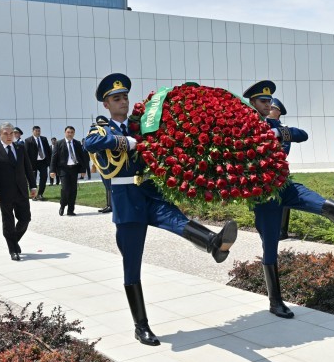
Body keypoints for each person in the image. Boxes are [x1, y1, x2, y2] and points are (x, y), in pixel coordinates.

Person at [85, 73, 239, 347]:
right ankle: (140, 326)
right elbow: (91, 144)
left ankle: (213, 243)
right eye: (116, 99)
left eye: (124, 98)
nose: (123, 102)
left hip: (150, 192)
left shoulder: (139, 125)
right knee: (132, 265)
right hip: (126, 199)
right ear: (106, 105)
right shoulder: (103, 128)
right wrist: (126, 143)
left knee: (176, 220)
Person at [243, 80, 334, 319]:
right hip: (264, 195)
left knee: (323, 204)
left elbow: (303, 134)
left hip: (286, 185)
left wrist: (278, 131)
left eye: (270, 101)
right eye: (263, 101)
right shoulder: (242, 125)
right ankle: (275, 301)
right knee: (270, 245)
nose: (268, 105)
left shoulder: (274, 125)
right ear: (251, 103)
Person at [0, 122, 37, 260]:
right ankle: (13, 250)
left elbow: (28, 167)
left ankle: (13, 241)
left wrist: (33, 186)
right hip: (5, 193)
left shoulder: (20, 148)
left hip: (21, 191)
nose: (9, 136)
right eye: (6, 134)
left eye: (11, 133)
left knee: (25, 219)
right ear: (0, 134)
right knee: (8, 222)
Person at [269, 97, 292, 239]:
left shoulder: (284, 130)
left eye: (272, 108)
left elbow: (284, 151)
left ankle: (281, 231)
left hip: (278, 170)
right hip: (264, 172)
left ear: (278, 112)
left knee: (282, 199)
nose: (268, 108)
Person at [50, 126, 83, 216]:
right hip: (63, 169)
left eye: (72, 132)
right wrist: (52, 170)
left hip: (74, 169)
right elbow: (54, 157)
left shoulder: (77, 143)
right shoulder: (59, 143)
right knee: (65, 189)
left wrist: (83, 170)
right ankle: (63, 205)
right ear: (65, 133)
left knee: (73, 190)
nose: (70, 134)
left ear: (74, 133)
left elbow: (82, 157)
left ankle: (70, 210)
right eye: (68, 132)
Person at [25, 125, 51, 201]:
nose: (38, 132)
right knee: (32, 180)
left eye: (39, 131)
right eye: (36, 131)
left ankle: (40, 194)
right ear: (33, 131)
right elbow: (26, 154)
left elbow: (48, 151)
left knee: (44, 177)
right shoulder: (28, 140)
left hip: (43, 162)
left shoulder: (44, 139)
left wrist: (49, 161)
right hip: (33, 163)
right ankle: (33, 195)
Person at [93, 117, 112, 213]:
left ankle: (111, 205)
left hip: (107, 161)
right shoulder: (96, 133)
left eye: (101, 125)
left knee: (109, 183)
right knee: (106, 184)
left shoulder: (108, 133)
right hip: (101, 162)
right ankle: (109, 204)